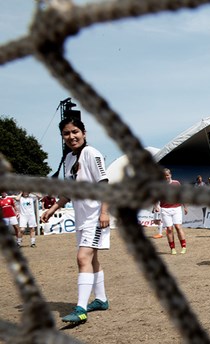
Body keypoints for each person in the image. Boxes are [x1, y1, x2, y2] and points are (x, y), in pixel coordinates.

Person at [40, 117, 110, 325]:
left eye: (75, 132)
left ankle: (81, 309)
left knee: (82, 258)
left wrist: (104, 212)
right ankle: (101, 299)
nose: (71, 137)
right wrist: (52, 209)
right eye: (66, 134)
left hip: (95, 218)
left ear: (84, 133)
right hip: (82, 219)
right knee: (92, 260)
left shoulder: (91, 153)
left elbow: (105, 183)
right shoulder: (70, 158)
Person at [154, 168, 188, 255]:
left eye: (167, 175)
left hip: (176, 208)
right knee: (169, 229)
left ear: (170, 175)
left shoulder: (176, 183)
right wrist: (156, 206)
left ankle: (183, 246)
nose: (166, 177)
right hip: (165, 209)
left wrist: (185, 207)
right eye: (164, 175)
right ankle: (172, 248)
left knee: (177, 227)